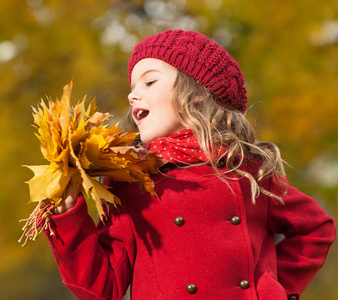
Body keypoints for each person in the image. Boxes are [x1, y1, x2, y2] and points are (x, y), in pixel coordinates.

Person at [45, 30, 336, 300]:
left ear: (197, 91)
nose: (132, 95)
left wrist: (271, 288)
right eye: (132, 87)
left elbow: (316, 228)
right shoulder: (129, 181)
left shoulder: (246, 170)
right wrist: (68, 216)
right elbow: (101, 286)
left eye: (149, 81)